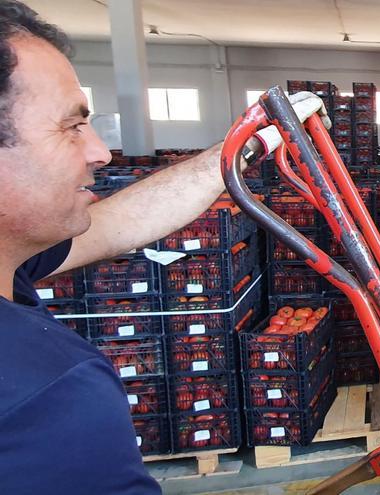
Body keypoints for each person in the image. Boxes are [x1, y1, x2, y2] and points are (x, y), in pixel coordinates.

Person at [0, 2, 327, 493]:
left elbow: (112, 224)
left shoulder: (16, 263)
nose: (100, 151)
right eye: (71, 126)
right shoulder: (50, 396)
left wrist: (236, 152)